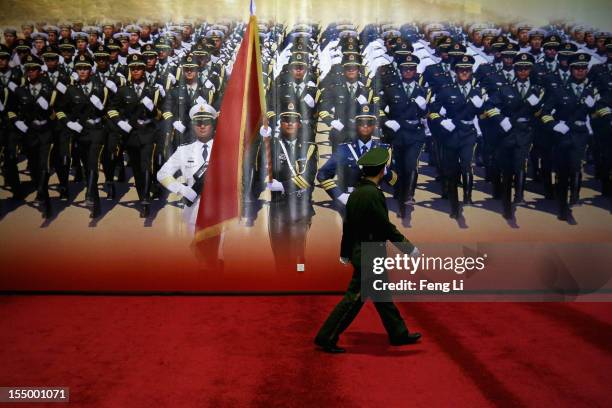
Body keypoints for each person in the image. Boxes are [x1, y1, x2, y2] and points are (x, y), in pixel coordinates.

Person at [314, 147, 421, 354]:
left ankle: (398, 333)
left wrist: (345, 252)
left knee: (382, 295)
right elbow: (385, 227)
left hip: (362, 250)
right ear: (382, 171)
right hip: (370, 253)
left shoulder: (356, 193)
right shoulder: (373, 194)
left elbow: (349, 226)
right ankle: (326, 336)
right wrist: (408, 248)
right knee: (354, 298)